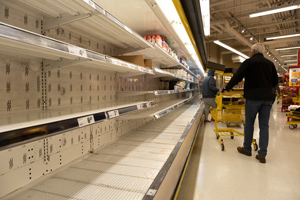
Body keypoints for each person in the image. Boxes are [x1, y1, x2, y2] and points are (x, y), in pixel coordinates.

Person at [223, 43, 278, 164]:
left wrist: (228, 87)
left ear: (253, 51)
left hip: (253, 97)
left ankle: (247, 149)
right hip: (267, 98)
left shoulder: (249, 62)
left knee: (249, 124)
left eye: (250, 51)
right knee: (264, 126)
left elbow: (238, 76)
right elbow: (275, 81)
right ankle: (262, 155)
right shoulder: (270, 64)